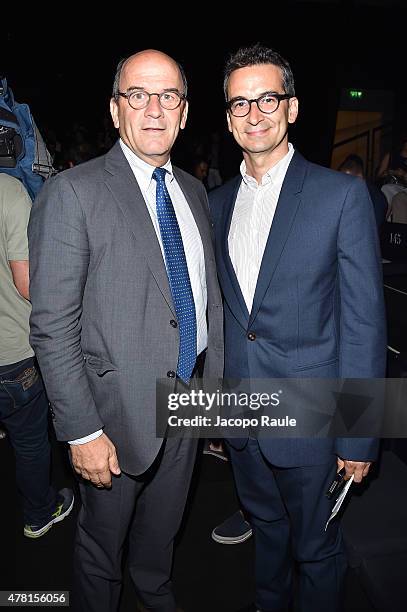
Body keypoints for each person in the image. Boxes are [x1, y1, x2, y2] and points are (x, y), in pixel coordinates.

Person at [28, 50, 223, 612]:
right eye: (138, 95)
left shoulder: (192, 191)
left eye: (169, 97)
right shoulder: (73, 193)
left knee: (160, 541)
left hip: (189, 403)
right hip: (112, 418)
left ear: (185, 113)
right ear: (116, 110)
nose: (155, 109)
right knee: (100, 550)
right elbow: (52, 327)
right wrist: (82, 430)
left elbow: (202, 299)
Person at [209, 44, 386, 612]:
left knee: (317, 553)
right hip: (240, 418)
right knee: (267, 537)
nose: (254, 113)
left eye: (267, 99)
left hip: (312, 422)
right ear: (228, 115)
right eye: (240, 103)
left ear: (292, 108)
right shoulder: (214, 203)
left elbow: (363, 324)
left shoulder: (341, 196)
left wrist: (358, 434)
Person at [0, 173, 74, 538]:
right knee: (28, 441)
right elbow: (28, 284)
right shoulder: (8, 191)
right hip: (11, 355)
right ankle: (40, 513)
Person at [337, 153, 387, 228]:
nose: (342, 183)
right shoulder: (343, 190)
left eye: (346, 179)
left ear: (360, 177)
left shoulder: (375, 197)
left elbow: (372, 226)